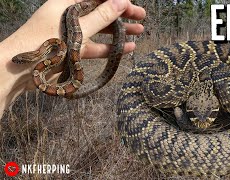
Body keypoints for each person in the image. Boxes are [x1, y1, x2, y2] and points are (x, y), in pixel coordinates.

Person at [0, 0, 146, 118]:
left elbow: (62, 47)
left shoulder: (55, 47)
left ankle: (115, 23)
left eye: (19, 61)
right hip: (62, 68)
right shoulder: (53, 49)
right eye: (19, 61)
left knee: (73, 11)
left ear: (29, 57)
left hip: (63, 52)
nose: (17, 61)